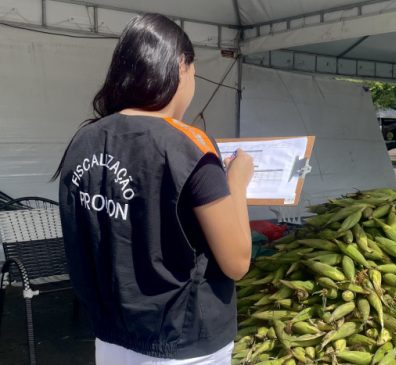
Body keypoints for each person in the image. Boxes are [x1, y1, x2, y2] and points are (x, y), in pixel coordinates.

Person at [53, 13, 253, 364]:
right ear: (180, 67)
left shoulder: (85, 139)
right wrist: (236, 181)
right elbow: (237, 262)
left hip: (112, 335)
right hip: (182, 341)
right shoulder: (188, 145)